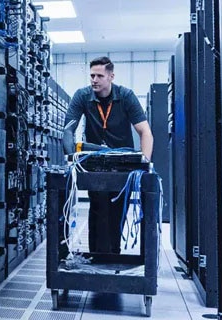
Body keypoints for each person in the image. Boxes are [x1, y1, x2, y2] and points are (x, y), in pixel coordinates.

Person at [63, 56, 153, 254]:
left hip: (123, 164)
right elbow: (68, 130)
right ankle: (98, 256)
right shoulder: (82, 96)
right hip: (95, 163)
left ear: (111, 76)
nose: (94, 79)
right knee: (98, 206)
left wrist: (145, 164)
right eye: (92, 75)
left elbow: (145, 132)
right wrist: (71, 159)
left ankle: (113, 254)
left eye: (99, 76)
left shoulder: (126, 96)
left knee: (117, 209)